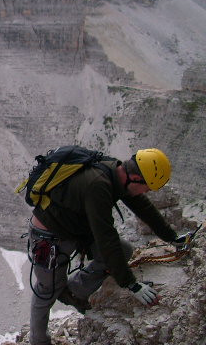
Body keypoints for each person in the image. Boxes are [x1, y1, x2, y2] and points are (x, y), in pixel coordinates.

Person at [27, 148, 189, 345]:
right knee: (47, 290)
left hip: (74, 227)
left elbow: (143, 207)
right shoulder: (98, 185)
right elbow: (106, 238)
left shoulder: (117, 172)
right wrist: (131, 284)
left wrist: (172, 238)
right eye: (146, 188)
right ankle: (38, 341)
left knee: (124, 251)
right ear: (136, 178)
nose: (145, 192)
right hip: (48, 235)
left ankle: (72, 291)